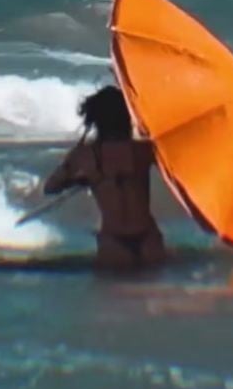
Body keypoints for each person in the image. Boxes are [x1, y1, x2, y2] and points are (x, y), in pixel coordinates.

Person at [44, 86, 166, 270]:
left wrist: (79, 178)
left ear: (96, 120)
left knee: (112, 287)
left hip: (114, 243)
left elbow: (51, 187)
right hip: (149, 239)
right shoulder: (144, 150)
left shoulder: (85, 155)